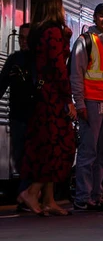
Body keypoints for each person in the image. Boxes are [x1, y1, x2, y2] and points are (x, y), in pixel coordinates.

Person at [17, 0, 76, 216]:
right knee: (58, 147)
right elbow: (59, 68)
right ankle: (32, 192)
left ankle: (49, 199)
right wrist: (67, 99)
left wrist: (67, 40)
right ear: (55, 8)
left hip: (44, 96)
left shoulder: (40, 33)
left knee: (46, 147)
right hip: (52, 98)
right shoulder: (52, 33)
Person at [70, 1, 103, 212]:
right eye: (101, 15)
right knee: (88, 151)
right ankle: (83, 198)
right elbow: (77, 73)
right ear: (94, 17)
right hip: (91, 104)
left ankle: (96, 196)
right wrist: (80, 103)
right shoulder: (85, 41)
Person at [0, 23, 34, 212]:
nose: (23, 41)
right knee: (20, 155)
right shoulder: (14, 60)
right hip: (18, 115)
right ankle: (25, 195)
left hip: (35, 116)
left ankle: (25, 195)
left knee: (30, 156)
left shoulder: (39, 61)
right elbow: (2, 83)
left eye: (27, 38)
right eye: (21, 37)